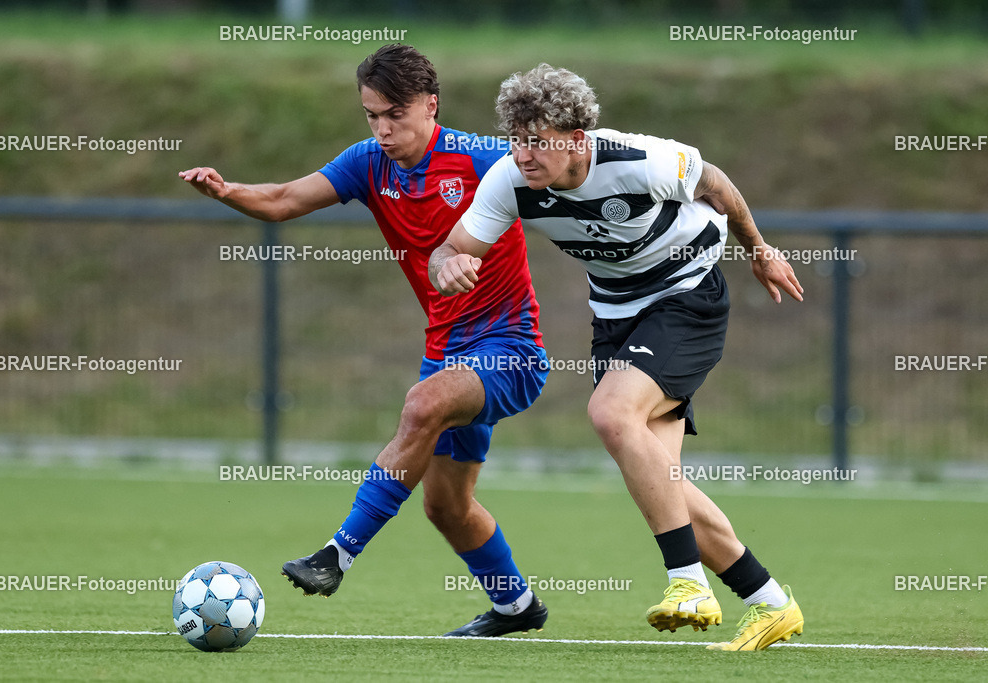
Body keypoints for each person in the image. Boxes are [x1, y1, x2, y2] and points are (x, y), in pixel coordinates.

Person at [430, 64, 805, 651]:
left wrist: (760, 249)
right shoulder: (509, 180)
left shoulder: (642, 160)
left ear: (577, 139)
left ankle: (687, 583)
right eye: (516, 139)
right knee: (663, 479)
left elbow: (717, 184)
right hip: (615, 314)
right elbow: (451, 249)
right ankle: (770, 602)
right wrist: (447, 264)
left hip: (688, 294)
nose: (523, 154)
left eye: (537, 141)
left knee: (610, 414)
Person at [179, 44, 550, 637]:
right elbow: (281, 200)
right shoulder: (367, 164)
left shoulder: (483, 159)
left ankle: (337, 555)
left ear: (431, 106)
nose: (382, 129)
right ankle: (516, 607)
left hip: (512, 348)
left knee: (422, 404)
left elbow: (564, 188)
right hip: (447, 351)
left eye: (395, 115)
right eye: (372, 115)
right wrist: (229, 192)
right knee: (445, 508)